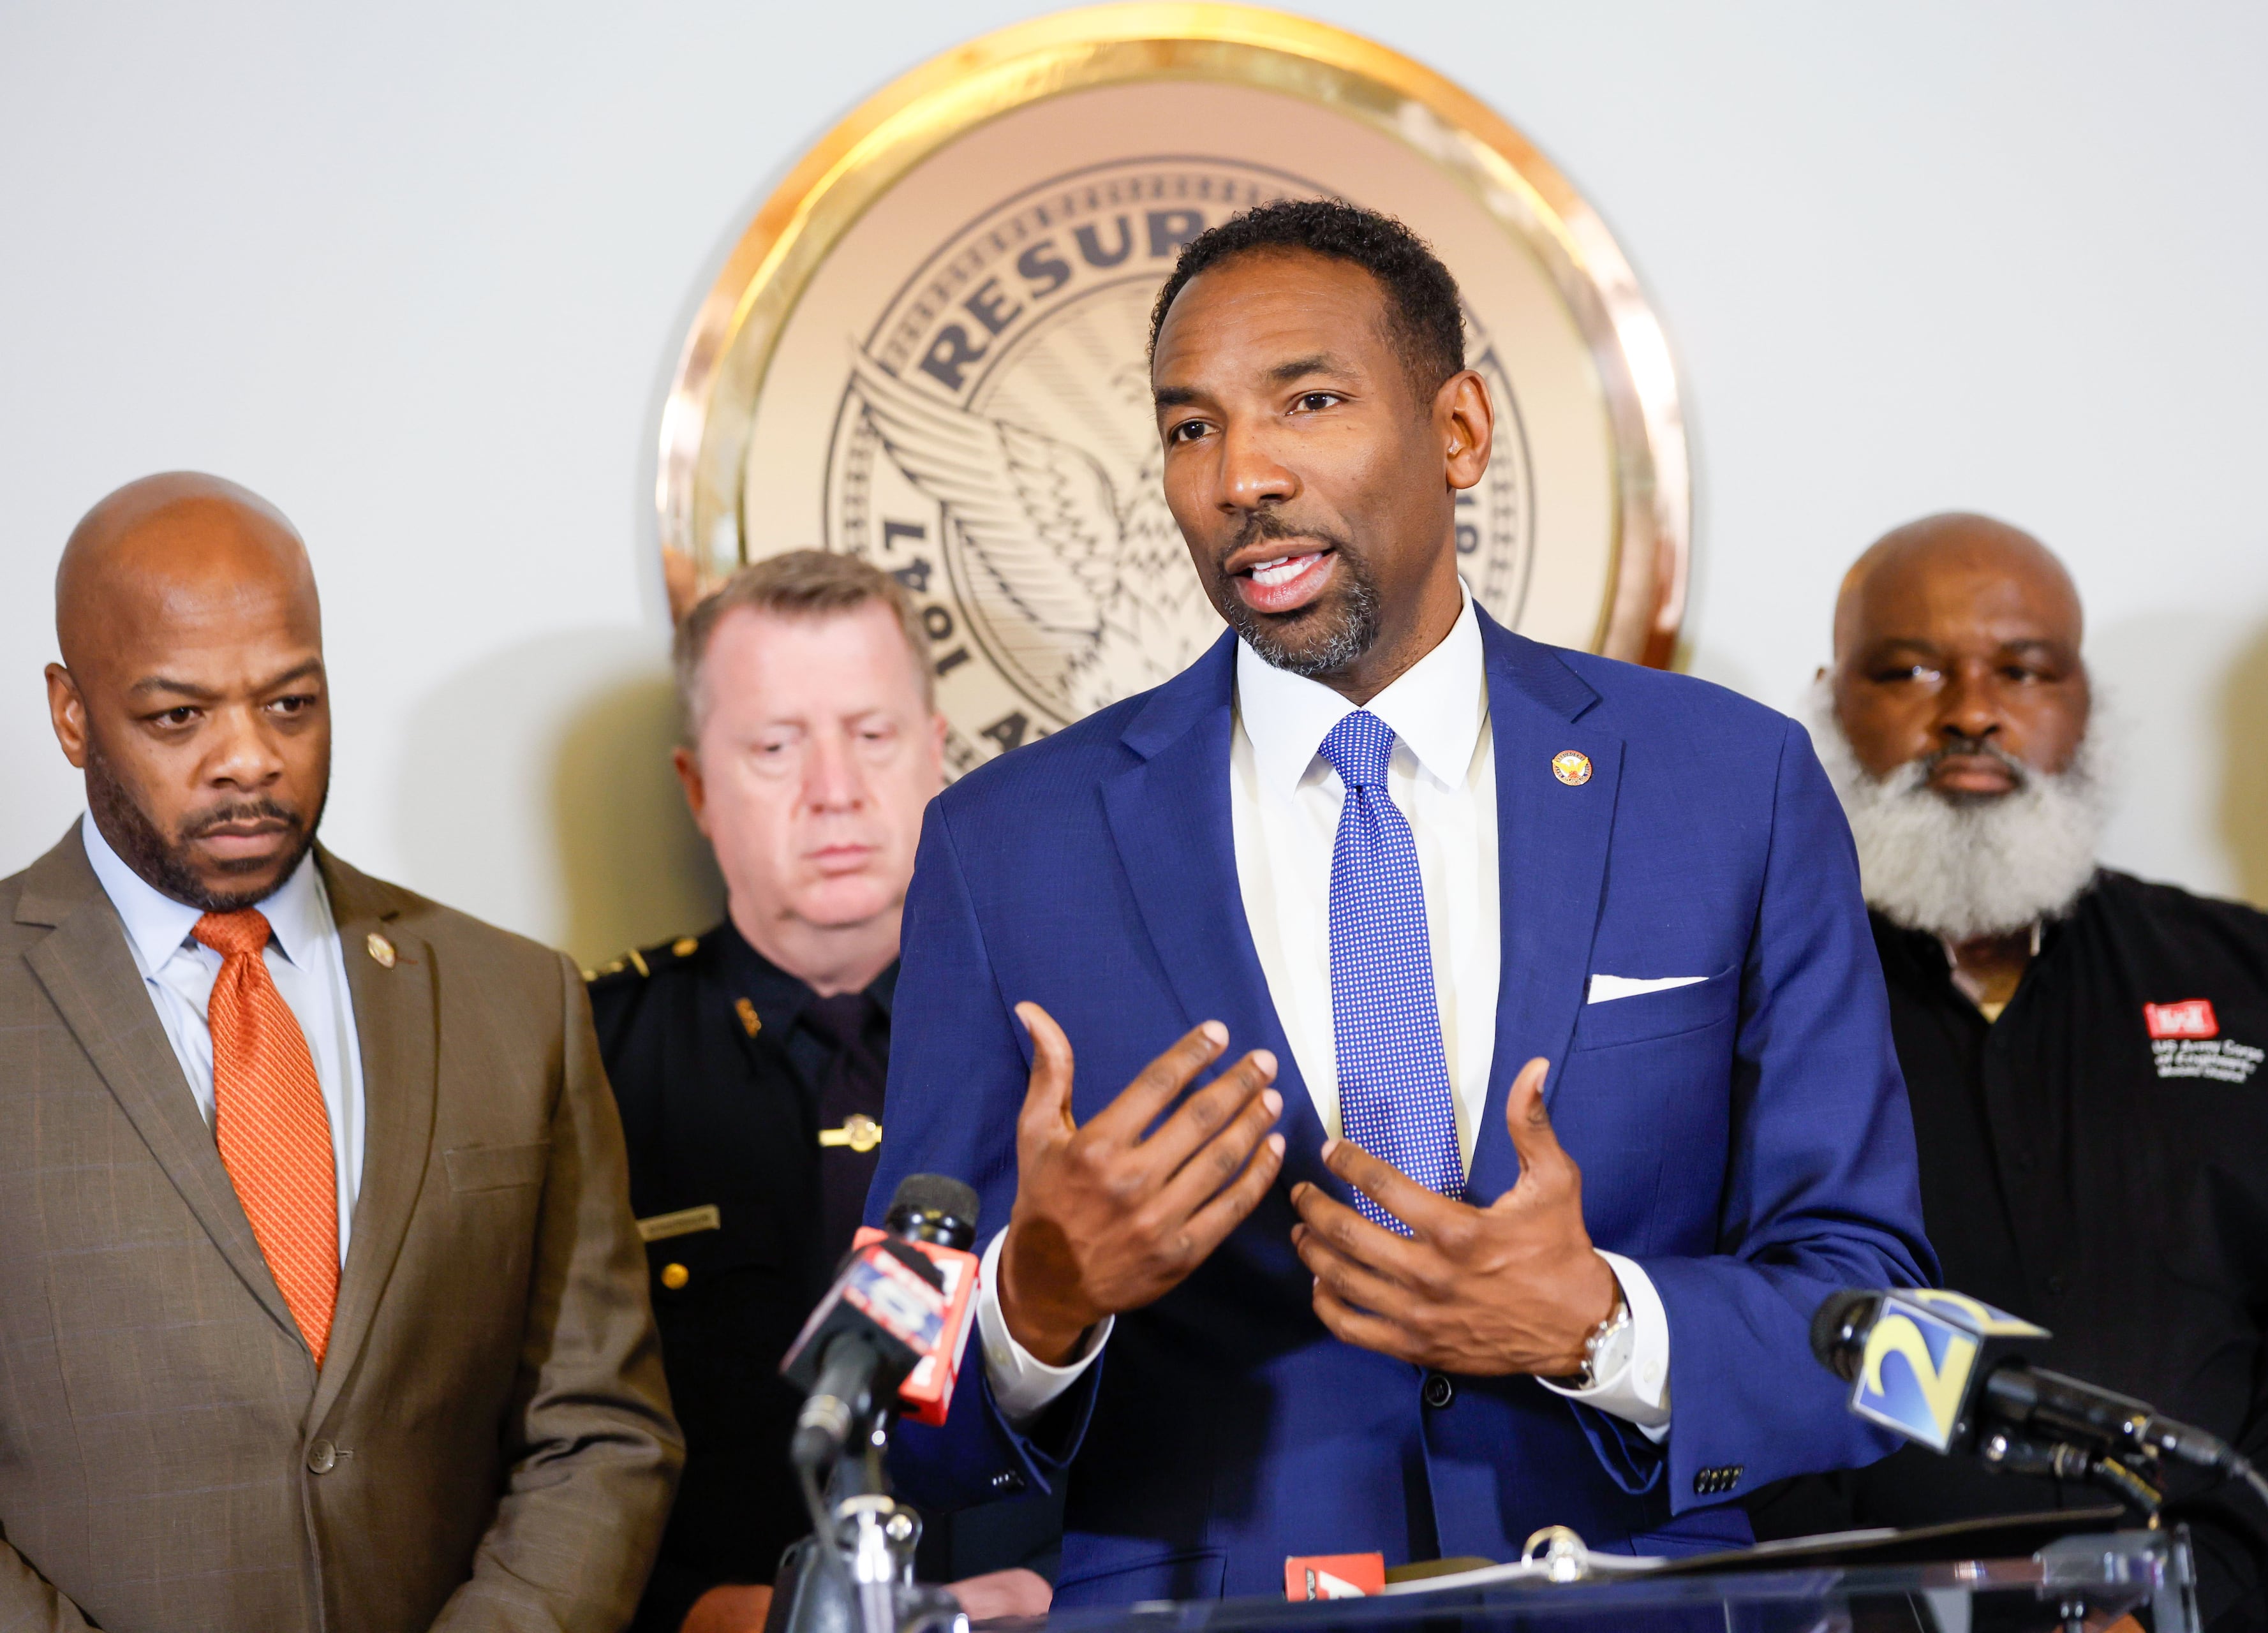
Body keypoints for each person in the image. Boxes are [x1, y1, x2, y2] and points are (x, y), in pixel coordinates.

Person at [867, 199, 1938, 1604]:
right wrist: (1032, 1302)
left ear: (1461, 434)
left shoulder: (1734, 787)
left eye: (1306, 400)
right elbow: (882, 1400)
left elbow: (1901, 1341)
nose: (1242, 472)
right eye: (1191, 428)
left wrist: (1603, 1323)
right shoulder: (1008, 845)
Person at [0, 473, 680, 1630]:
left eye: (290, 705)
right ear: (72, 714)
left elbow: (600, 1428)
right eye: (178, 717)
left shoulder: (515, 1000)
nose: (248, 759)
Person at [1756, 512, 2268, 1630]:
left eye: (2023, 669)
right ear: (1832, 705)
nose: (1971, 712)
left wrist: (2207, 1596)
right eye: (1912, 669)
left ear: (2085, 708)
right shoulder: (1744, 1005)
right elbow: (1713, 1341)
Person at [589, 552, 1056, 1633]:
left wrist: (1068, 1581)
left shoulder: (1070, 1035)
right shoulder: (586, 1061)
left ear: (936, 756)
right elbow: (537, 1429)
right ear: (697, 787)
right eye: (774, 746)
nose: (834, 790)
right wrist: (695, 1612)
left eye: (873, 735)